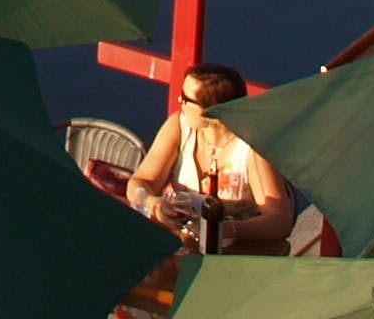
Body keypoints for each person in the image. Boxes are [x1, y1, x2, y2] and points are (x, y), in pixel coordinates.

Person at [125, 64, 295, 253]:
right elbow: (140, 182)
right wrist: (155, 205)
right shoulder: (179, 127)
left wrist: (224, 230)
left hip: (238, 253)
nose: (179, 100)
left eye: (187, 98)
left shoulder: (251, 146)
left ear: (210, 111)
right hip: (185, 246)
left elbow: (279, 221)